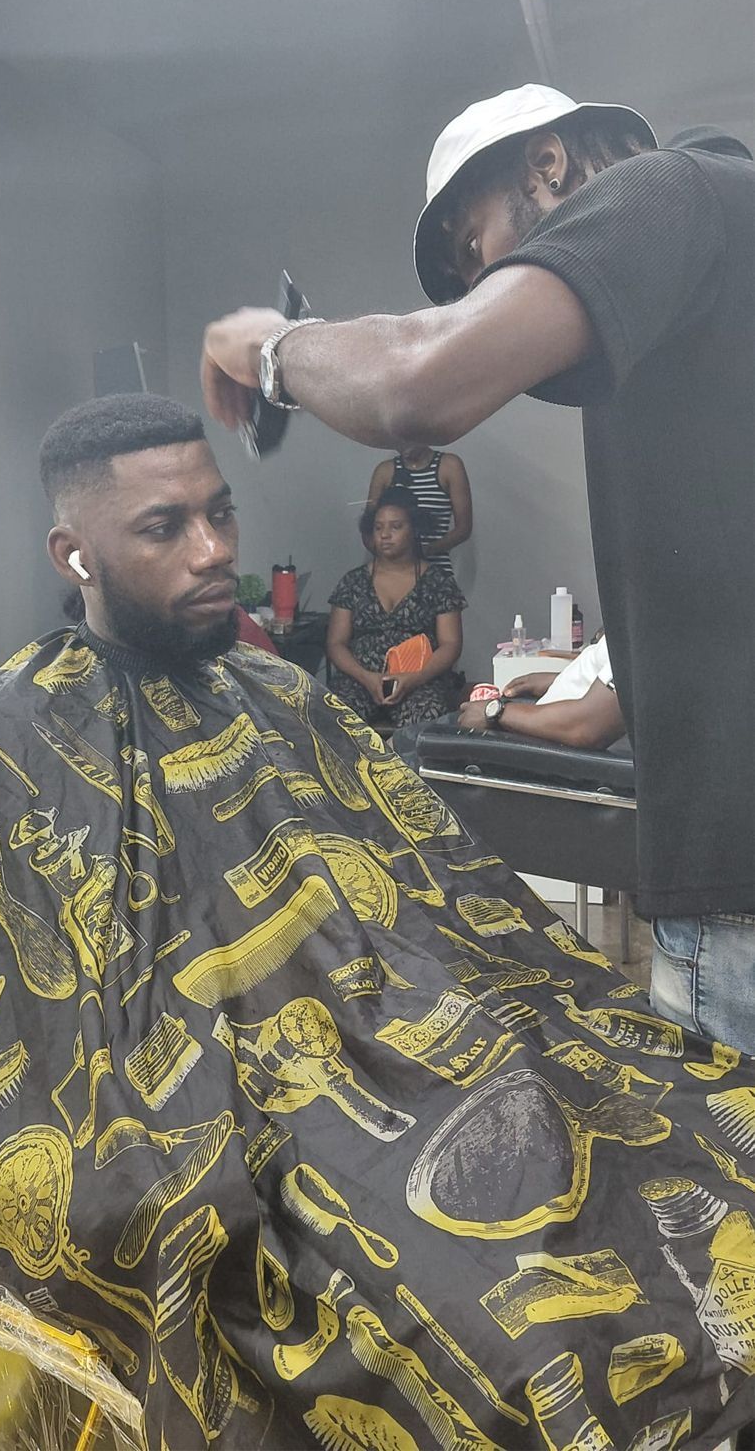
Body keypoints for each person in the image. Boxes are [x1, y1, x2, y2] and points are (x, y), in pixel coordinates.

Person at [0, 394, 753, 1450]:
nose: (214, 550)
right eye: (166, 528)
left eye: (221, 514)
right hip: (229, 1106)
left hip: (395, 1042)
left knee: (693, 1131)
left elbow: (430, 891)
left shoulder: (279, 690)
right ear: (74, 553)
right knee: (510, 1329)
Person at [200, 86, 754, 1053]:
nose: (480, 281)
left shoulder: (679, 189)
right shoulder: (711, 288)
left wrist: (273, 347)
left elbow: (418, 379)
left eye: (473, 246)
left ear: (548, 163)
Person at [327, 486, 464, 727]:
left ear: (413, 530)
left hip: (420, 680)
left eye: (396, 527)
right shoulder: (353, 581)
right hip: (360, 679)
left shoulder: (438, 581)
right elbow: (336, 643)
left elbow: (451, 644)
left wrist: (413, 679)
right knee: (332, 716)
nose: (385, 535)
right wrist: (367, 678)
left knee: (428, 717)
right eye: (378, 528)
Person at [456, 632, 624, 748]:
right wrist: (558, 679)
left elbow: (587, 727)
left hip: (555, 750)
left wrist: (494, 712)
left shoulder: (644, 632)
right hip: (553, 726)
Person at [367, 442, 472, 573]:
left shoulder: (449, 466)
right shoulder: (385, 471)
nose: (402, 445)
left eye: (407, 438)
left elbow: (463, 529)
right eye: (397, 439)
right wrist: (391, 555)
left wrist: (424, 551)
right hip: (391, 572)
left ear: (422, 433)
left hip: (436, 570)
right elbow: (368, 527)